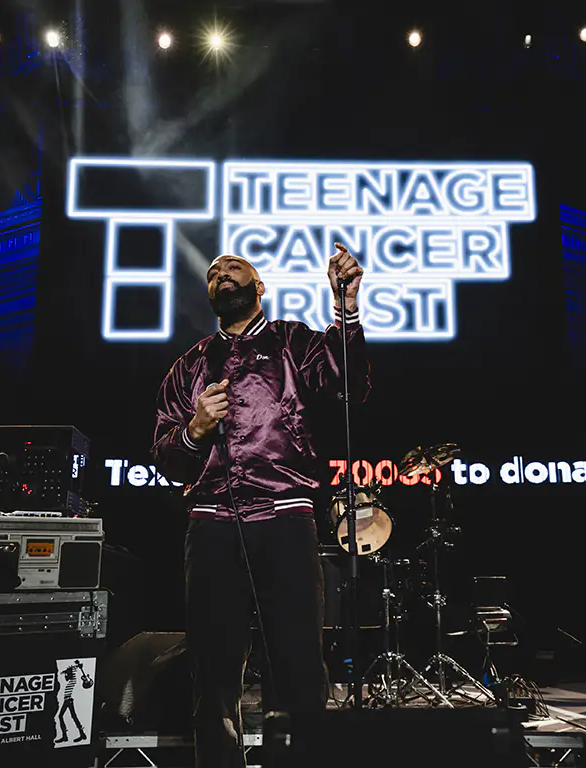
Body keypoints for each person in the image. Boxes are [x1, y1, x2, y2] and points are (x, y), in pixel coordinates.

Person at [152, 244, 367, 768]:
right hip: (211, 527)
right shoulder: (189, 367)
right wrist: (194, 430)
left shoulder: (292, 340)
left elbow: (347, 389)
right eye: (212, 272)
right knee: (213, 671)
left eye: (233, 267)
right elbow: (165, 456)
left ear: (259, 286)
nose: (220, 273)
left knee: (297, 664)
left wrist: (346, 309)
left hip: (286, 516)